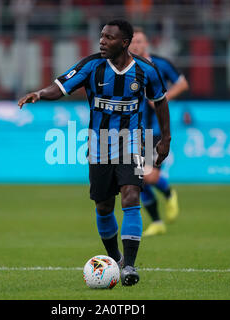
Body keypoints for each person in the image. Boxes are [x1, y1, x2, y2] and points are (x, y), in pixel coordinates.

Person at [18, 19, 171, 286]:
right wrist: (40, 94)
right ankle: (115, 259)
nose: (102, 41)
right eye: (101, 36)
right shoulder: (92, 66)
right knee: (103, 205)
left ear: (124, 42)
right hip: (99, 145)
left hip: (134, 141)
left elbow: (160, 102)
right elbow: (61, 86)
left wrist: (165, 138)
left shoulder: (147, 70)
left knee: (131, 194)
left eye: (109, 38)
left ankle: (130, 267)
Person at [129, 27, 189, 237]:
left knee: (148, 176)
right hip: (131, 131)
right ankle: (156, 221)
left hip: (153, 129)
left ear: (147, 44)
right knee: (139, 179)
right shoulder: (123, 67)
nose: (136, 45)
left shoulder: (160, 64)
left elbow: (182, 83)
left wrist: (162, 99)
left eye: (140, 42)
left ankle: (169, 192)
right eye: (133, 42)